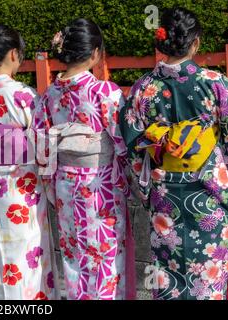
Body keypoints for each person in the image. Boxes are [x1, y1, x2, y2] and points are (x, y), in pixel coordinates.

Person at [120, 7, 228, 300]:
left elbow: (133, 148)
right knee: (208, 277)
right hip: (208, 194)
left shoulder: (144, 88)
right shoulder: (214, 83)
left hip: (164, 195)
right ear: (196, 43)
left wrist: (146, 194)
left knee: (167, 278)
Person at [33, 18, 135, 300]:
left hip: (65, 183)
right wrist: (129, 181)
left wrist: (52, 183)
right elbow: (122, 145)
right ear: (94, 53)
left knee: (74, 256)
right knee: (103, 257)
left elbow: (42, 144)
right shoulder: (106, 93)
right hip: (101, 185)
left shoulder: (48, 95)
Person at [0, 24, 58, 300]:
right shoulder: (23, 95)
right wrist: (50, 179)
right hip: (21, 187)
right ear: (14, 55)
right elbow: (43, 144)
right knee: (26, 255)